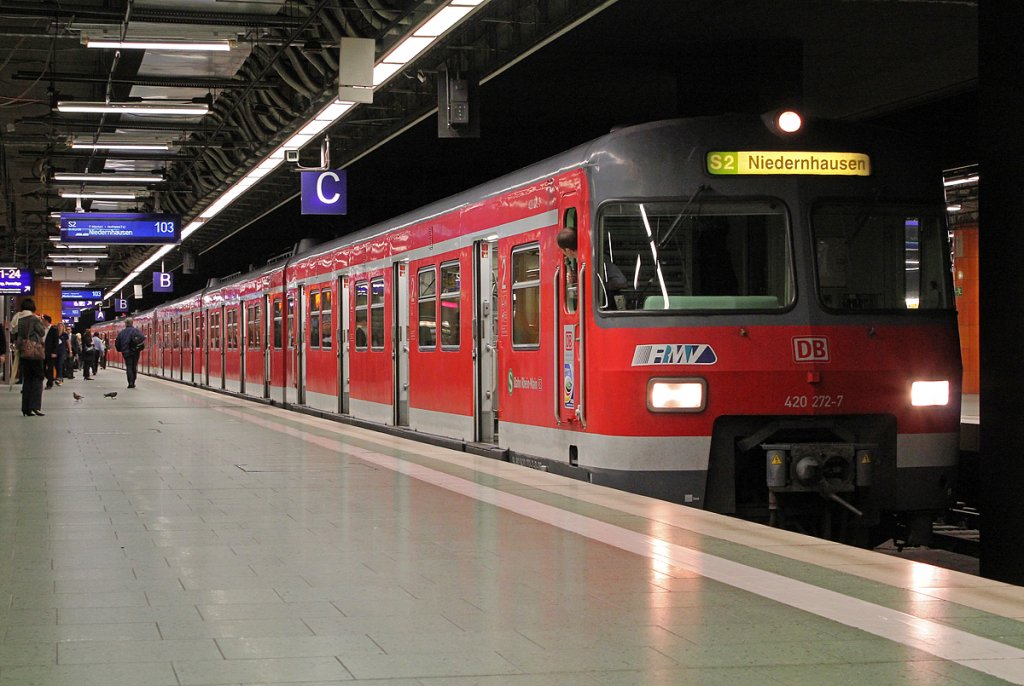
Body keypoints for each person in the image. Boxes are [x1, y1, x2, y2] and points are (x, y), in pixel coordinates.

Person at [13, 299, 45, 416]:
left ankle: (25, 408)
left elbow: (14, 333)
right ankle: (34, 406)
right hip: (34, 353)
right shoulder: (34, 319)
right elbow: (41, 332)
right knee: (38, 378)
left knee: (27, 380)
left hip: (23, 353)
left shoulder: (18, 319)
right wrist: (40, 321)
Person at [115, 318, 145, 388]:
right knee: (134, 366)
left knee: (129, 366)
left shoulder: (122, 332)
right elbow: (143, 338)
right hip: (135, 351)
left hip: (126, 352)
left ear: (125, 324)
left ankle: (130, 382)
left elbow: (117, 343)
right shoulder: (136, 331)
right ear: (132, 323)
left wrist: (120, 349)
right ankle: (133, 380)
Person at [43, 315, 59, 389]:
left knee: (50, 368)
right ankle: (50, 378)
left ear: (46, 321)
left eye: (43, 320)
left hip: (50, 352)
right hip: (42, 352)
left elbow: (56, 342)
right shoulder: (42, 329)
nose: (42, 322)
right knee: (42, 368)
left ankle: (49, 384)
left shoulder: (54, 329)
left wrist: (54, 352)